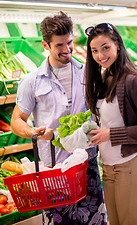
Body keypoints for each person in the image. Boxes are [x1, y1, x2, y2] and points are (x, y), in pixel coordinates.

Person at [11, 12, 107, 225]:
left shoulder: (88, 73)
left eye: (70, 42)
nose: (67, 49)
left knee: (96, 220)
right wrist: (32, 133)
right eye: (59, 45)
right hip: (55, 171)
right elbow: (17, 120)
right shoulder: (31, 82)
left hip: (87, 163)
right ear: (45, 45)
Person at [84, 22, 137, 225]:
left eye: (105, 48)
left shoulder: (132, 81)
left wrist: (110, 134)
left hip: (128, 168)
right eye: (94, 51)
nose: (100, 55)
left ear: (117, 44)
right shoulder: (102, 78)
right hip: (107, 168)